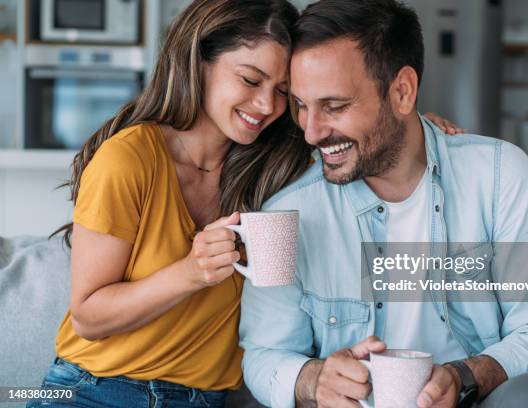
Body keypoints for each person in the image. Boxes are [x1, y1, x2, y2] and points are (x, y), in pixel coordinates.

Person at [28, 1, 461, 407]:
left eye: (282, 92)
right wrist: (190, 273)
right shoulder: (129, 160)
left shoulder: (276, 163)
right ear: (201, 62)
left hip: (204, 398)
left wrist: (416, 130)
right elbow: (88, 316)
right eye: (251, 80)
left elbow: (356, 135)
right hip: (96, 390)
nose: (265, 106)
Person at [239, 1, 528, 407]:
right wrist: (313, 379)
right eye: (301, 106)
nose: (312, 132)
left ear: (402, 92)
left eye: (334, 106)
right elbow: (264, 353)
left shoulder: (500, 176)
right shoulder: (284, 215)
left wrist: (463, 377)